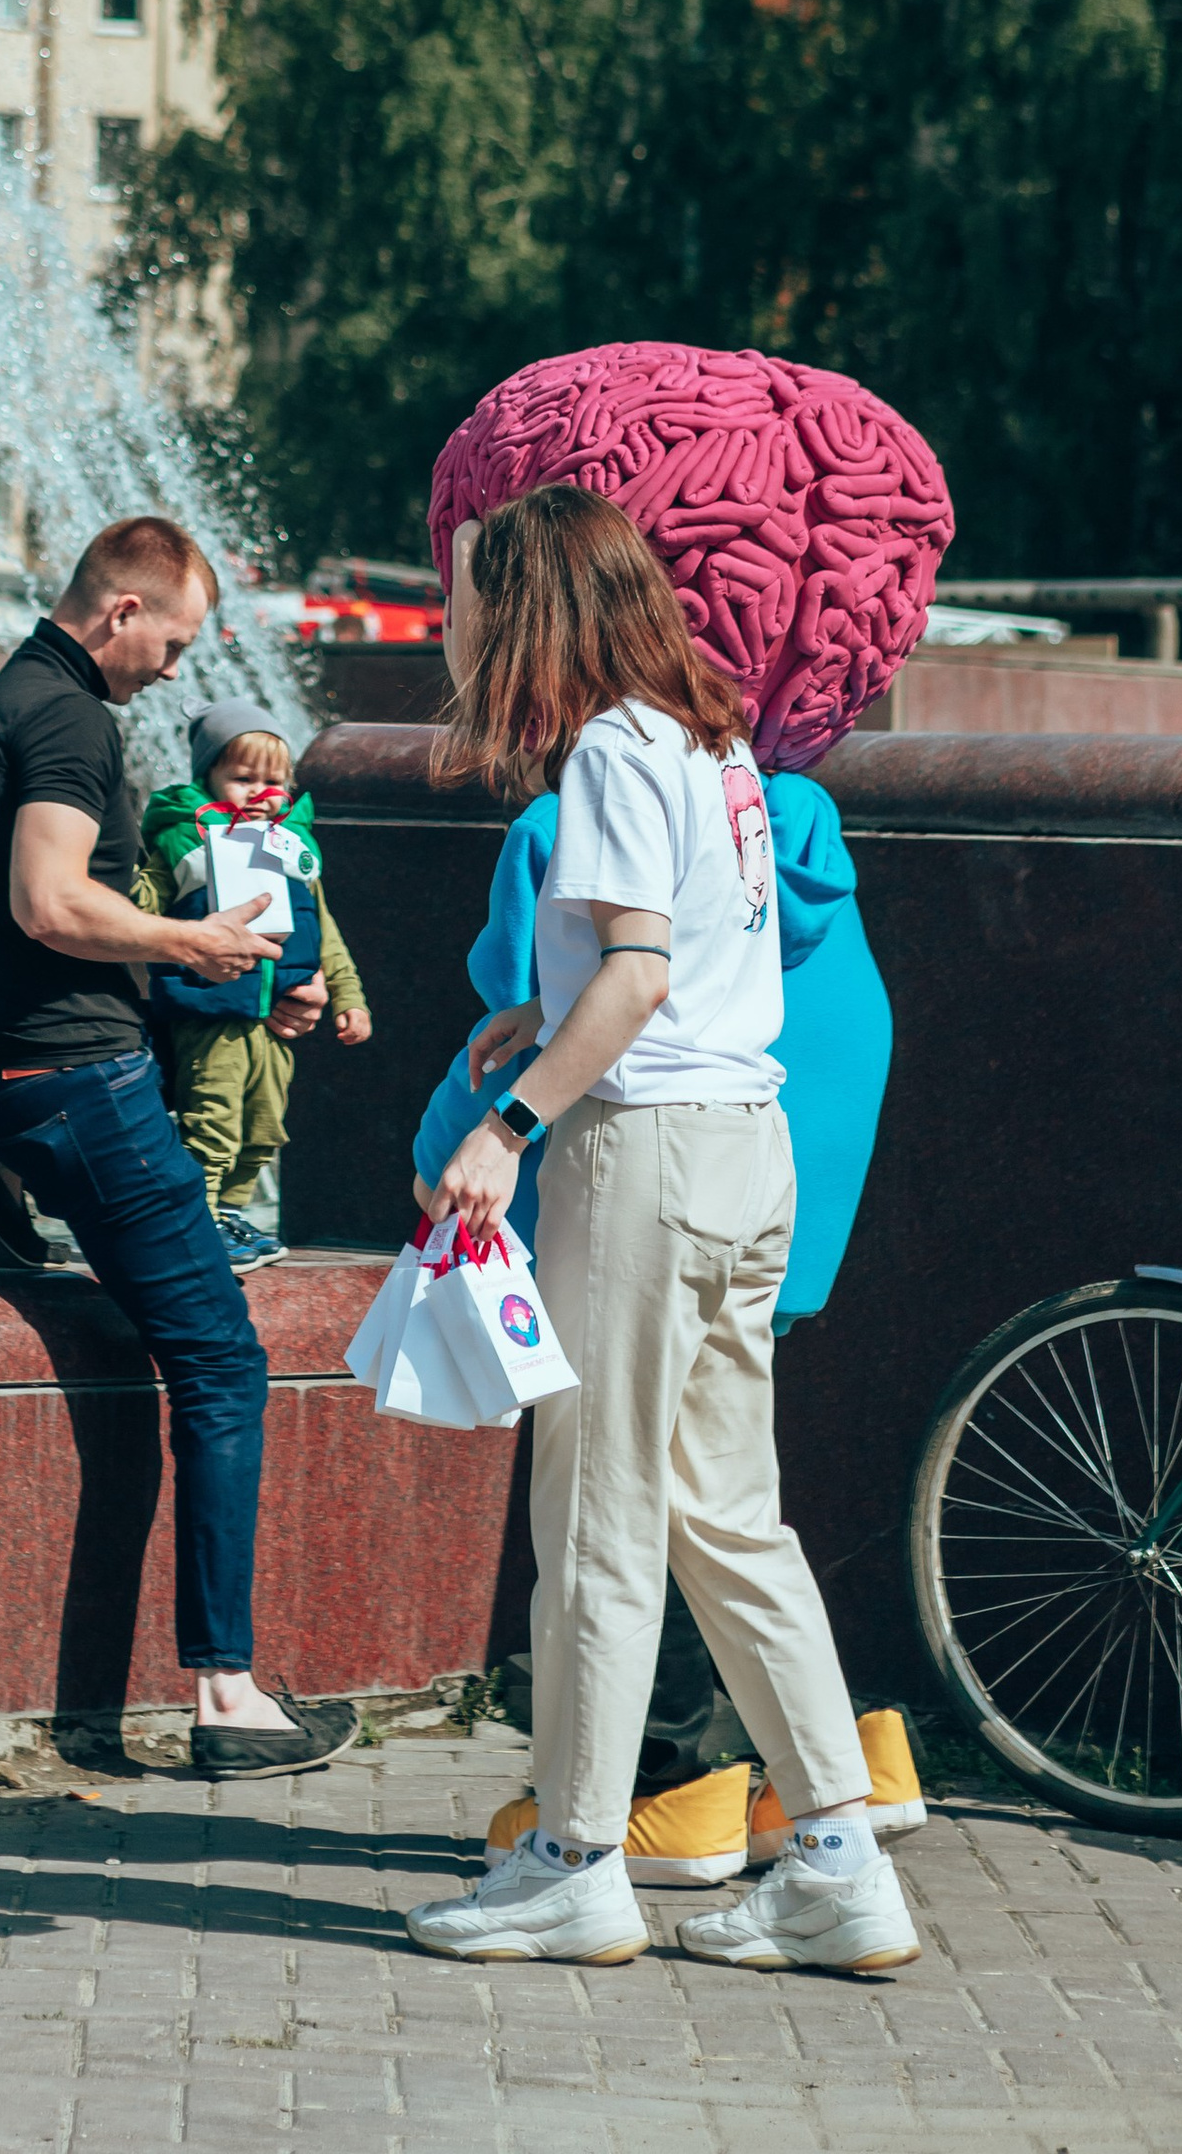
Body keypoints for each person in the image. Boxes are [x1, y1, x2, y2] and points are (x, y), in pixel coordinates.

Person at [404, 487, 917, 1976]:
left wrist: (510, 1123)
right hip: (746, 1154)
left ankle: (572, 1860)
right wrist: (546, 1013)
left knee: (596, 1520)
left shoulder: (613, 752)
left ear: (531, 607)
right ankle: (837, 1856)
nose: (460, 627)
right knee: (729, 1519)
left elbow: (636, 978)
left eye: (473, 599)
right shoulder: (715, 744)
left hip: (646, 1162)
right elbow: (680, 963)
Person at [0, 517, 355, 1775]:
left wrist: (226, 995)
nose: (175, 670)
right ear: (118, 612)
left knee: (166, 1293)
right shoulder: (71, 723)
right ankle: (226, 1698)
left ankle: (3, 1160)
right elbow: (49, 906)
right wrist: (196, 945)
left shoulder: (6, 699)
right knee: (220, 1359)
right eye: (171, 641)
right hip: (76, 1087)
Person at [131, 697, 371, 1267]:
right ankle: (199, 1217)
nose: (260, 793)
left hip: (277, 1018)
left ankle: (230, 1211)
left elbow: (325, 930)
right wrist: (126, 877)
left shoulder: (294, 847)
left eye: (273, 780)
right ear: (208, 777)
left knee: (264, 1126)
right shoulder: (183, 840)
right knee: (210, 1118)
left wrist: (350, 996)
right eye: (242, 779)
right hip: (211, 1012)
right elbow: (145, 908)